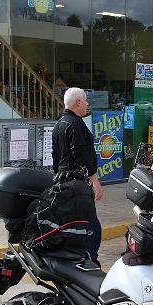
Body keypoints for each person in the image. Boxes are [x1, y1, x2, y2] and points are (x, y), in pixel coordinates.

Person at [51, 87, 104, 266]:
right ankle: (89, 262)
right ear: (78, 102)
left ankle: (76, 260)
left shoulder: (59, 124)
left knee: (73, 224)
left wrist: (58, 178)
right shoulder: (76, 124)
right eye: (86, 100)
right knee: (92, 227)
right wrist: (94, 179)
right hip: (77, 184)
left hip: (64, 182)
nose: (87, 104)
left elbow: (55, 156)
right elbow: (80, 153)